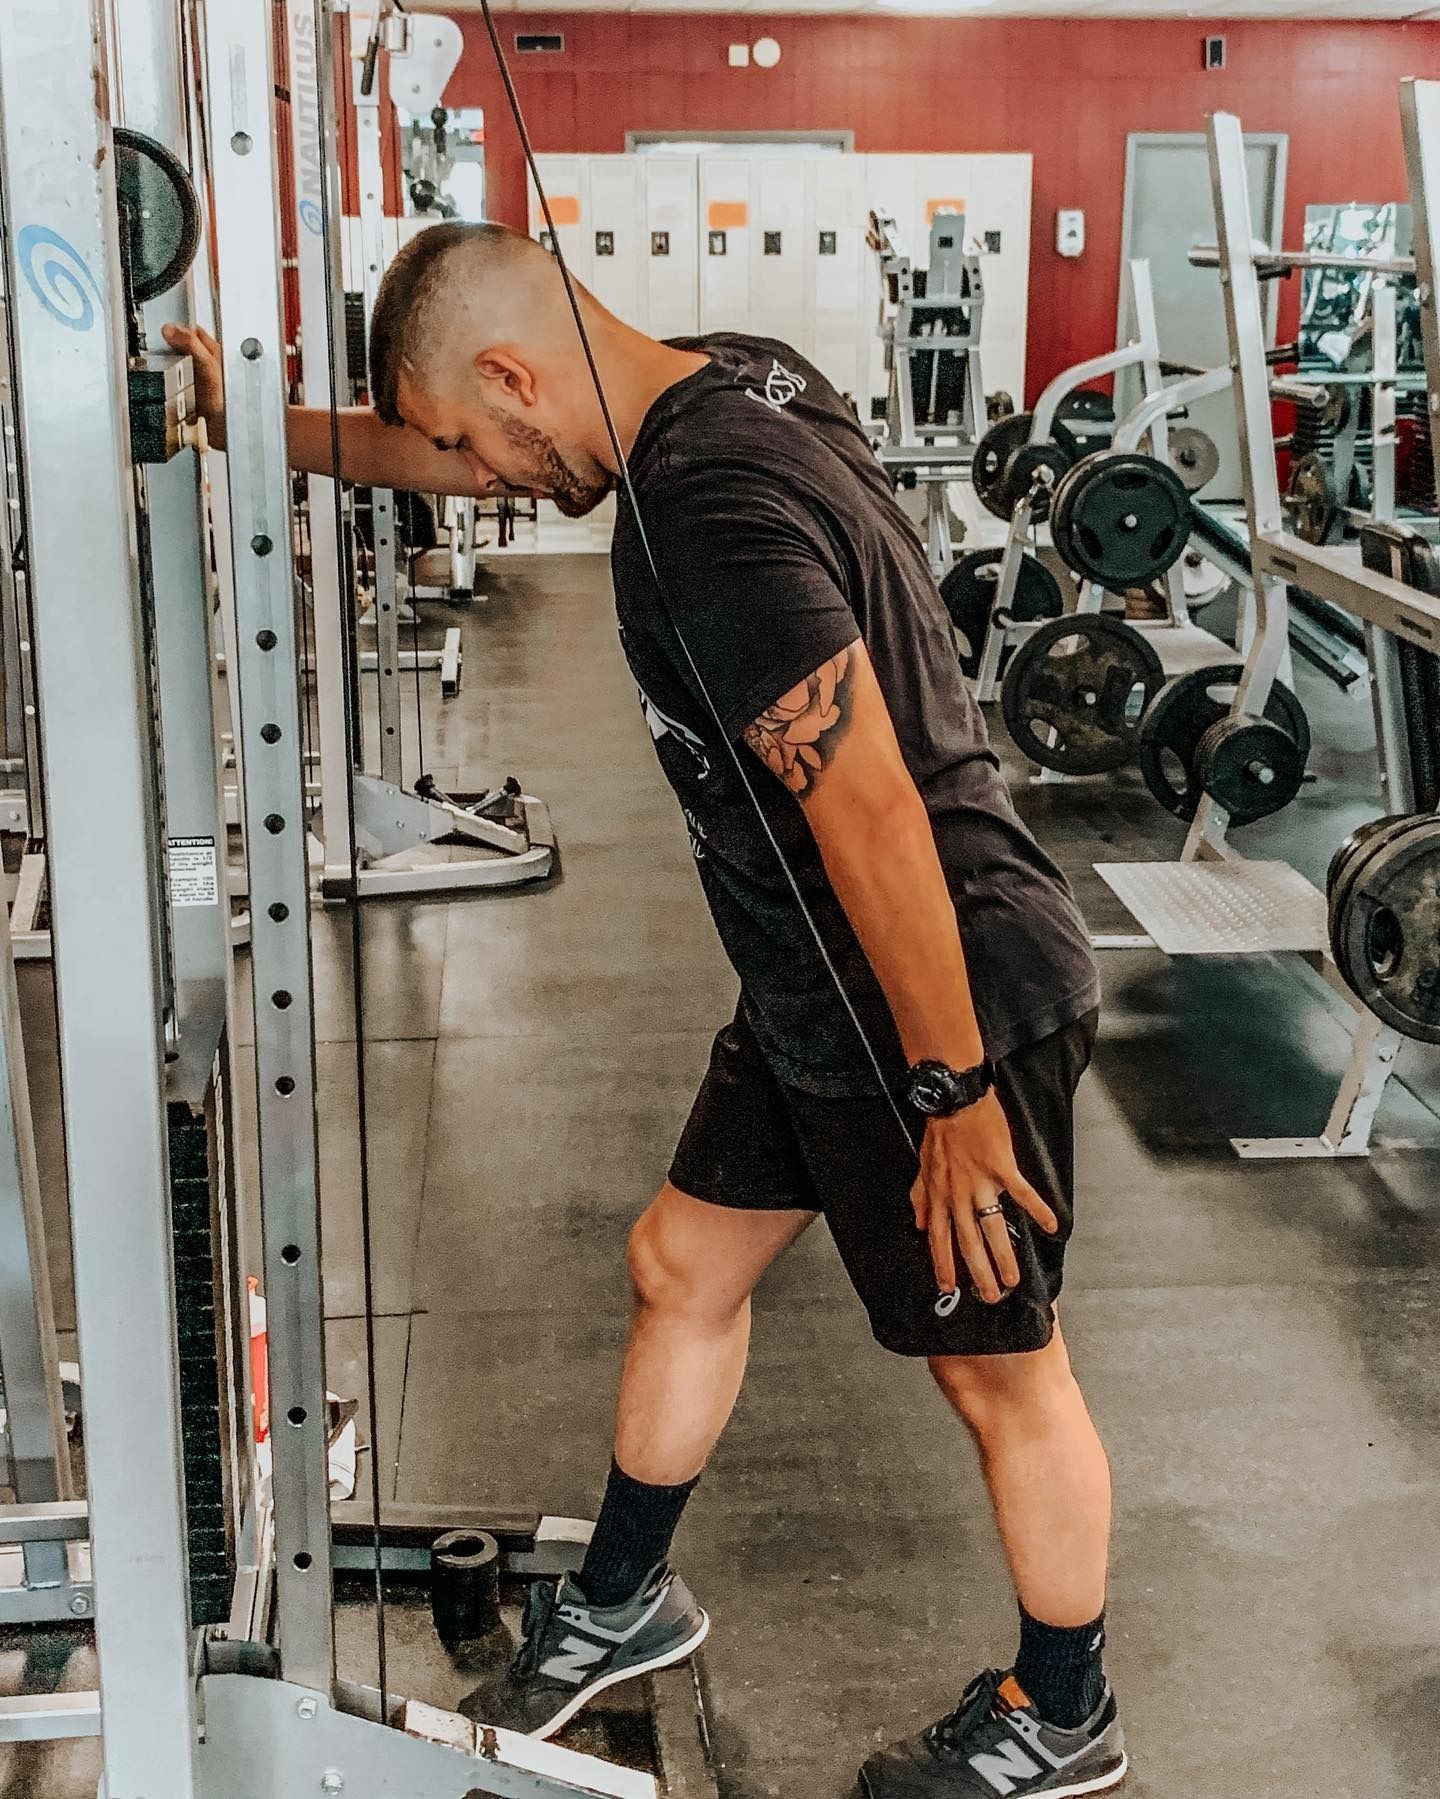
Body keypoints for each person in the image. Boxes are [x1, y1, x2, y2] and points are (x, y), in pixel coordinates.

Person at [165, 220, 1123, 1799]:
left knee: (999, 1370)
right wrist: (243, 420)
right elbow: (440, 446)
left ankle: (1062, 1710)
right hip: (816, 984)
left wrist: (950, 1092)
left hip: (934, 990)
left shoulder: (706, 512)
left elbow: (872, 813)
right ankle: (622, 1598)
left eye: (478, 440)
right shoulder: (741, 379)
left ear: (513, 376)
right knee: (682, 1264)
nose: (483, 480)